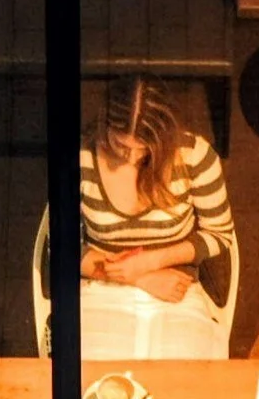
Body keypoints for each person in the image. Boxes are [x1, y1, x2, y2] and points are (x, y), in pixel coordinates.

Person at [79, 77, 234, 313]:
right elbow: (60, 248)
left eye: (144, 149)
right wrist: (138, 278)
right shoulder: (80, 159)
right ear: (105, 125)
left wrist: (151, 261)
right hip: (99, 284)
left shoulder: (194, 156)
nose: (130, 158)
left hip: (176, 284)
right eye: (120, 145)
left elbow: (220, 234)